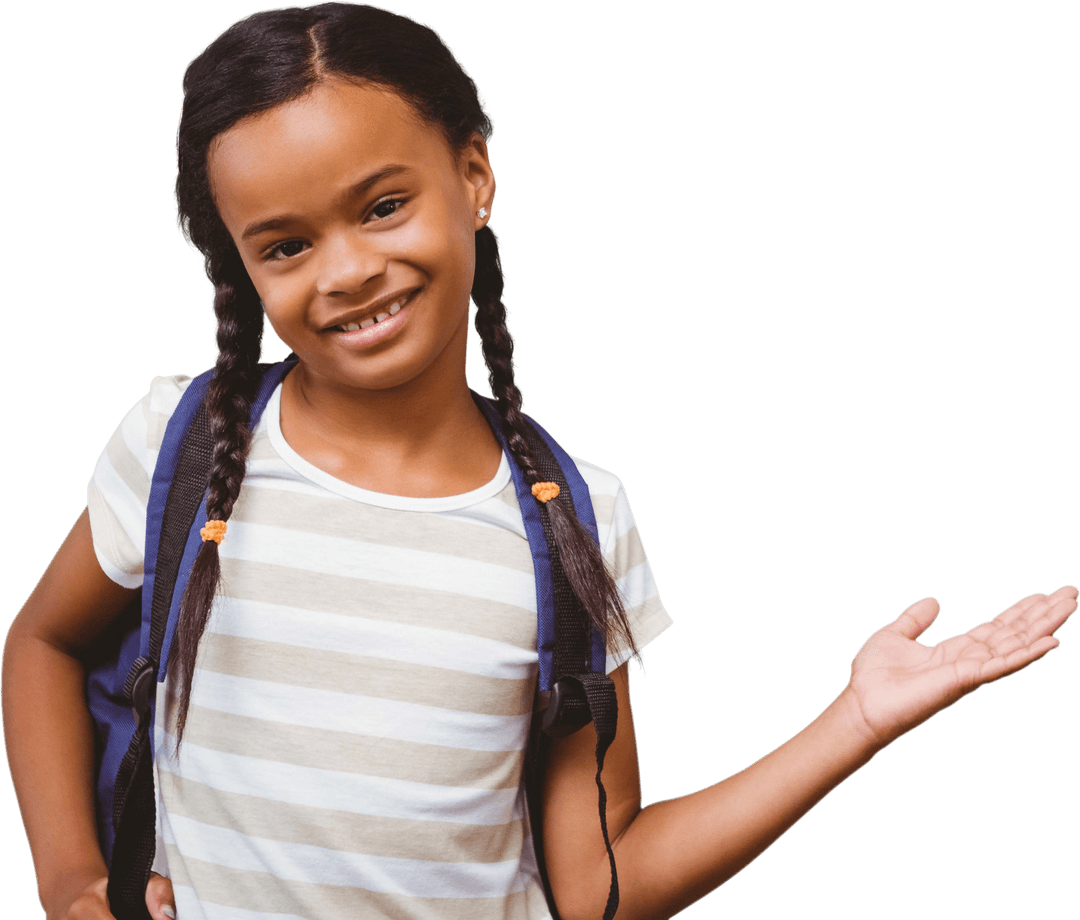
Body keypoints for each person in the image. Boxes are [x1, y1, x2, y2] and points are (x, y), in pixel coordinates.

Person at [2, 4, 1075, 919]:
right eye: (285, 244)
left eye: (384, 205)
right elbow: (41, 645)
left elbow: (598, 882)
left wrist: (854, 721)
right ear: (240, 264)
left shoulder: (574, 518)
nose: (348, 270)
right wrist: (74, 885)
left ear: (474, 175)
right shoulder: (180, 445)